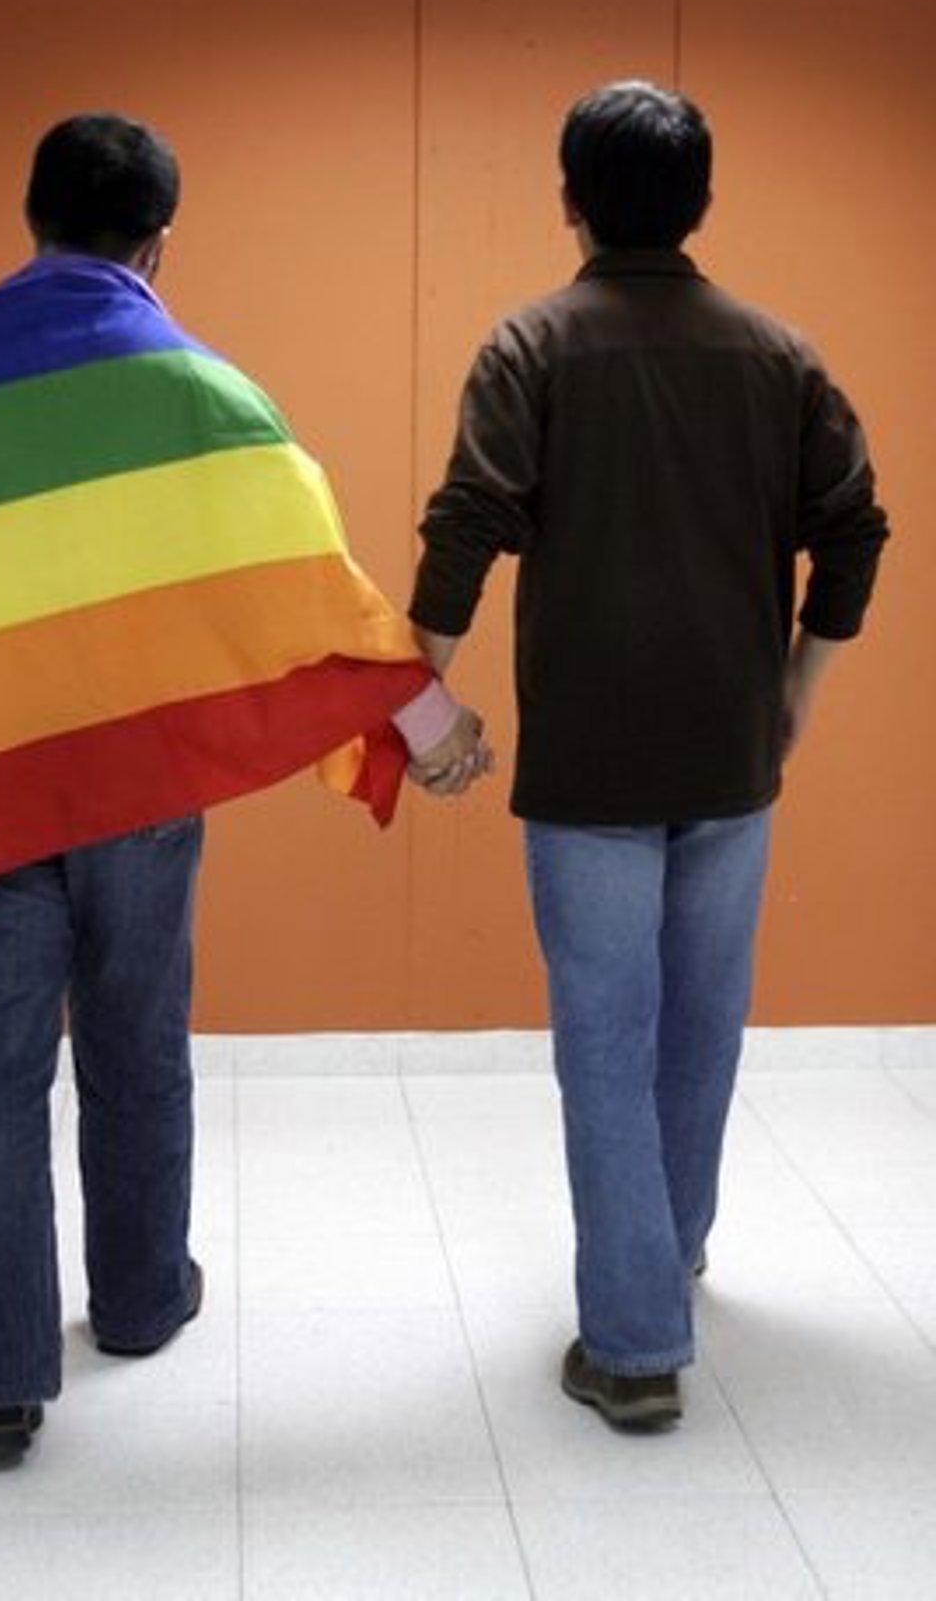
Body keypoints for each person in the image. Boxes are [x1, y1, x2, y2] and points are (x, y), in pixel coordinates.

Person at [0, 114, 488, 1461]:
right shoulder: (200, 391)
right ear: (158, 245)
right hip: (138, 789)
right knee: (138, 1043)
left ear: (32, 220)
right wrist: (426, 720)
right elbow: (308, 587)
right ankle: (140, 1303)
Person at [408, 80, 888, 1430]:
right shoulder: (778, 354)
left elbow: (466, 526)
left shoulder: (531, 346)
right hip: (732, 755)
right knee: (700, 1026)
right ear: (702, 202)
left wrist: (418, 702)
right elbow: (855, 530)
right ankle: (664, 1255)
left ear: (569, 200)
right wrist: (796, 690)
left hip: (592, 769)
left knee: (607, 1039)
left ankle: (631, 1348)